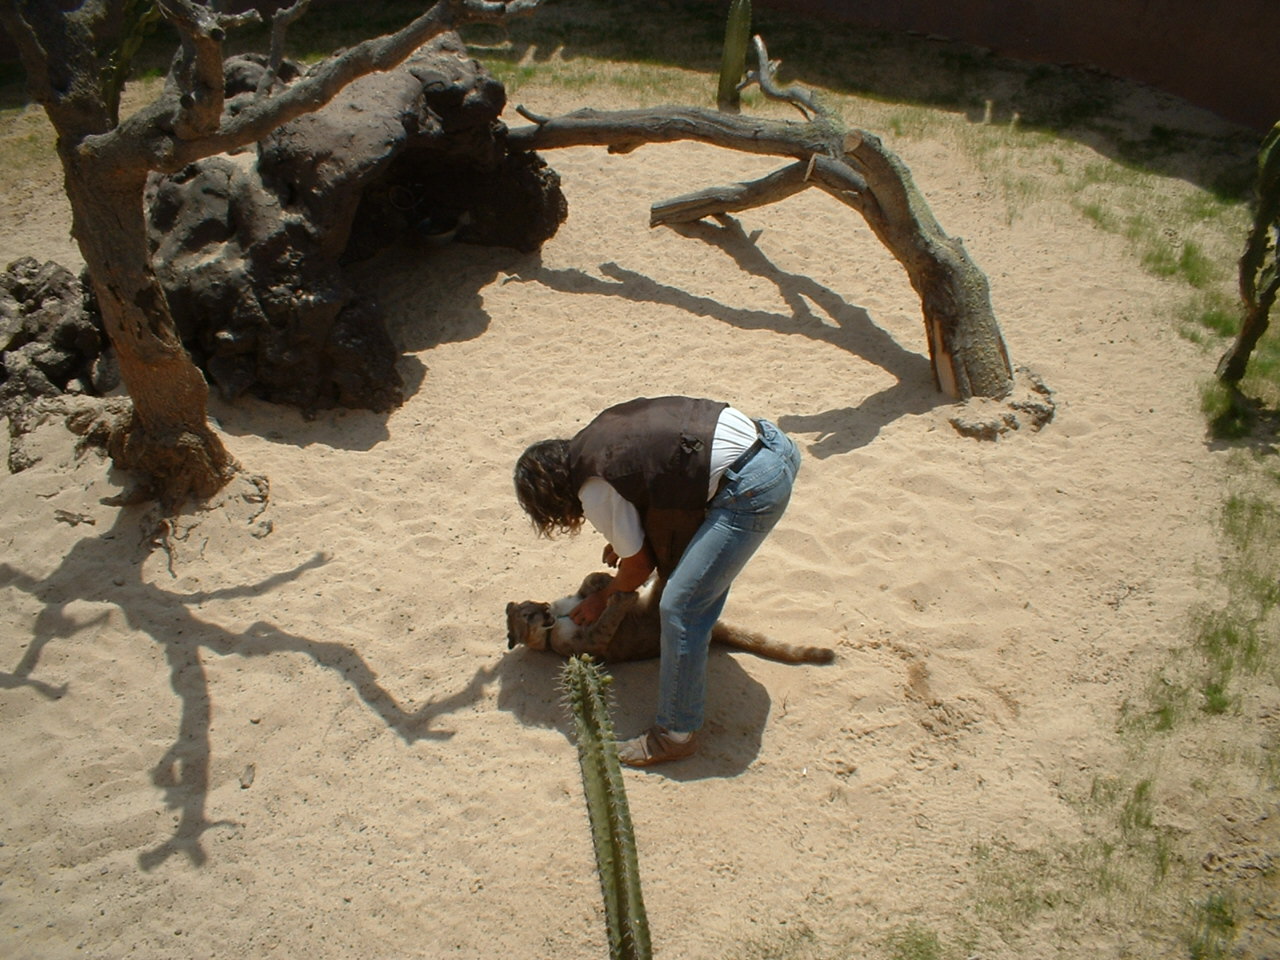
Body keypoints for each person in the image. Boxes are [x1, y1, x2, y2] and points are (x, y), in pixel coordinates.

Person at [513, 396, 801, 767]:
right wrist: (626, 540)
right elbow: (656, 480)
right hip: (771, 441)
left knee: (680, 606)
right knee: (680, 572)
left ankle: (676, 736)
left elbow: (636, 571)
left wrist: (606, 597)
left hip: (752, 487)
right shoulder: (595, 441)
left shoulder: (592, 489)